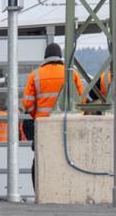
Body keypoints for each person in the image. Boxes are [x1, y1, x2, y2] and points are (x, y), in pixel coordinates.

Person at [23, 43, 85, 187]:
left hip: (44, 125)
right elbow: (81, 99)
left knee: (40, 159)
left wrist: (37, 115)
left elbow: (27, 103)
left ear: (45, 57)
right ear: (60, 56)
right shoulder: (72, 73)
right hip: (67, 124)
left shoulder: (35, 75)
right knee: (68, 157)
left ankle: (41, 190)